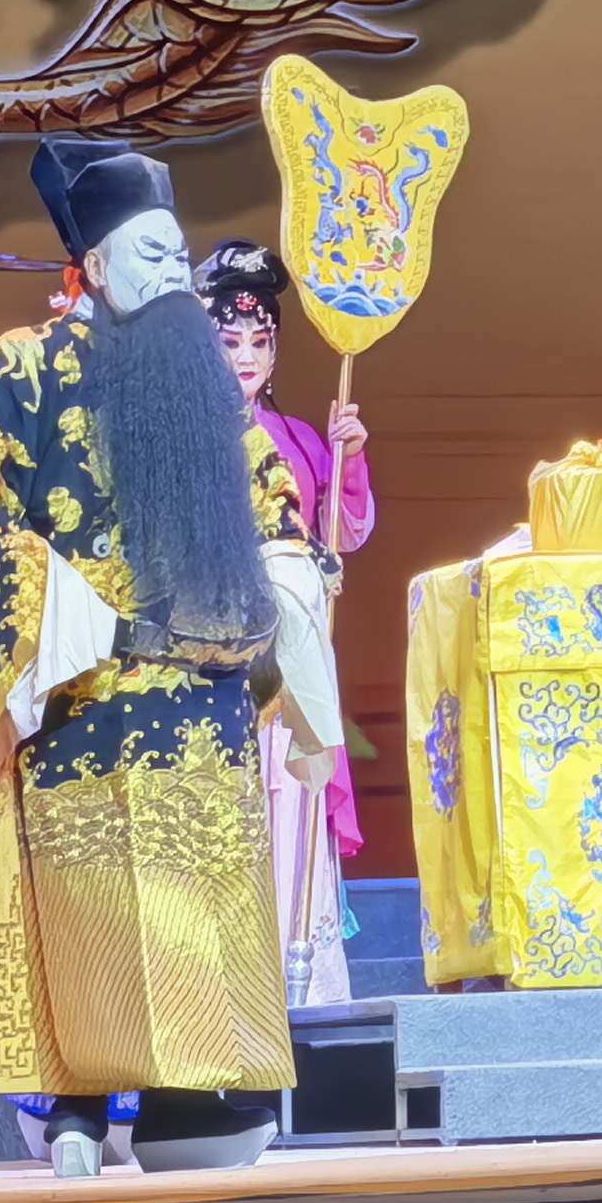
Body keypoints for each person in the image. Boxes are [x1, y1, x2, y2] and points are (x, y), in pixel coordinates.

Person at [0, 137, 339, 1177]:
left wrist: (284, 577)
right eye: (150, 253)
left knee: (199, 917)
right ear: (95, 265)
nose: (172, 271)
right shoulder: (27, 367)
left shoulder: (207, 388)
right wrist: (54, 606)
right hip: (87, 703)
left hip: (205, 710)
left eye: (178, 251)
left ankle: (196, 1098)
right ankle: (74, 1099)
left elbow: (275, 506)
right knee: (94, 917)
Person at [197, 240, 374, 1010]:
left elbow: (343, 536)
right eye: (229, 340)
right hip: (214, 656)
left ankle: (303, 986)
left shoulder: (301, 439)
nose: (246, 355)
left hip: (292, 658)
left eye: (260, 340)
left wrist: (347, 460)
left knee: (294, 798)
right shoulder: (185, 437)